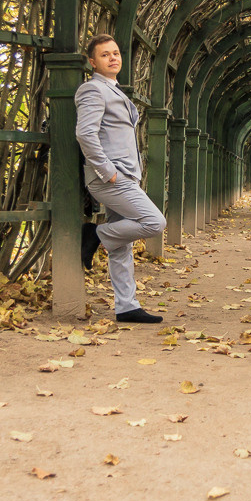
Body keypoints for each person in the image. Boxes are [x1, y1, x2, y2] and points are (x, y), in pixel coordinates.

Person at [75, 34, 166, 323]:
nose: (113, 58)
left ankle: (126, 306)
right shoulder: (92, 90)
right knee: (154, 222)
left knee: (121, 245)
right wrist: (107, 170)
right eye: (105, 54)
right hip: (110, 177)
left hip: (124, 174)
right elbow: (85, 133)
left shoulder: (114, 90)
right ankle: (94, 235)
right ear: (93, 62)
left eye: (115, 53)